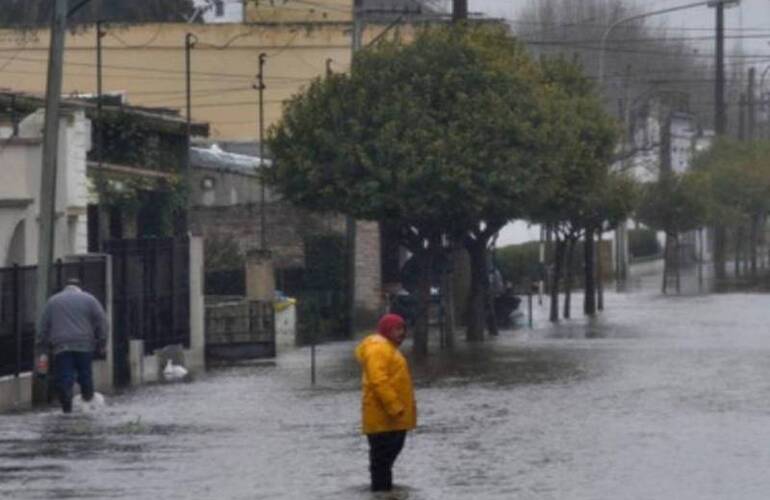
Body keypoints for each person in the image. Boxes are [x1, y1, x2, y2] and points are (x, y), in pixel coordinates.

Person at [354, 313, 417, 492]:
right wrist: (394, 407)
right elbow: (378, 380)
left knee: (384, 461)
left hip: (391, 419)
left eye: (403, 329)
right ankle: (381, 491)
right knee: (382, 461)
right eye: (397, 329)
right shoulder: (378, 348)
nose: (402, 333)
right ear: (387, 330)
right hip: (383, 418)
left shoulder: (388, 348)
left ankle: (383, 492)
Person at [36, 278, 108, 413]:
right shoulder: (90, 299)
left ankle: (66, 408)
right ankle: (87, 400)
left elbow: (43, 326)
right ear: (80, 287)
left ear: (65, 287)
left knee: (65, 376)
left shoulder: (53, 301)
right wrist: (102, 341)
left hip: (61, 346)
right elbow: (101, 320)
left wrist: (41, 346)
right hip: (84, 345)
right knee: (85, 374)